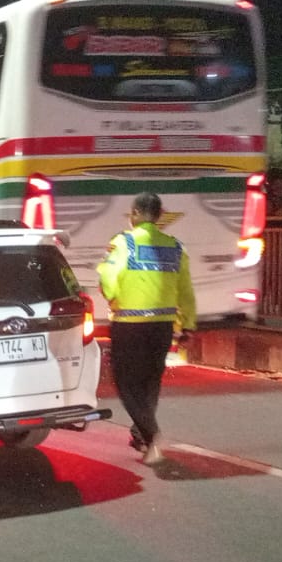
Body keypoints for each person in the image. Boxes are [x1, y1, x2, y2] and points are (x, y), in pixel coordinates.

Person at [98, 192, 197, 466]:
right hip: (162, 326)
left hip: (129, 325)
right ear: (160, 215)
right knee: (150, 381)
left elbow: (108, 278)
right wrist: (187, 325)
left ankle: (151, 435)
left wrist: (112, 295)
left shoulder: (124, 243)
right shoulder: (176, 247)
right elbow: (186, 291)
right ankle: (140, 434)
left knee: (126, 383)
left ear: (136, 214)